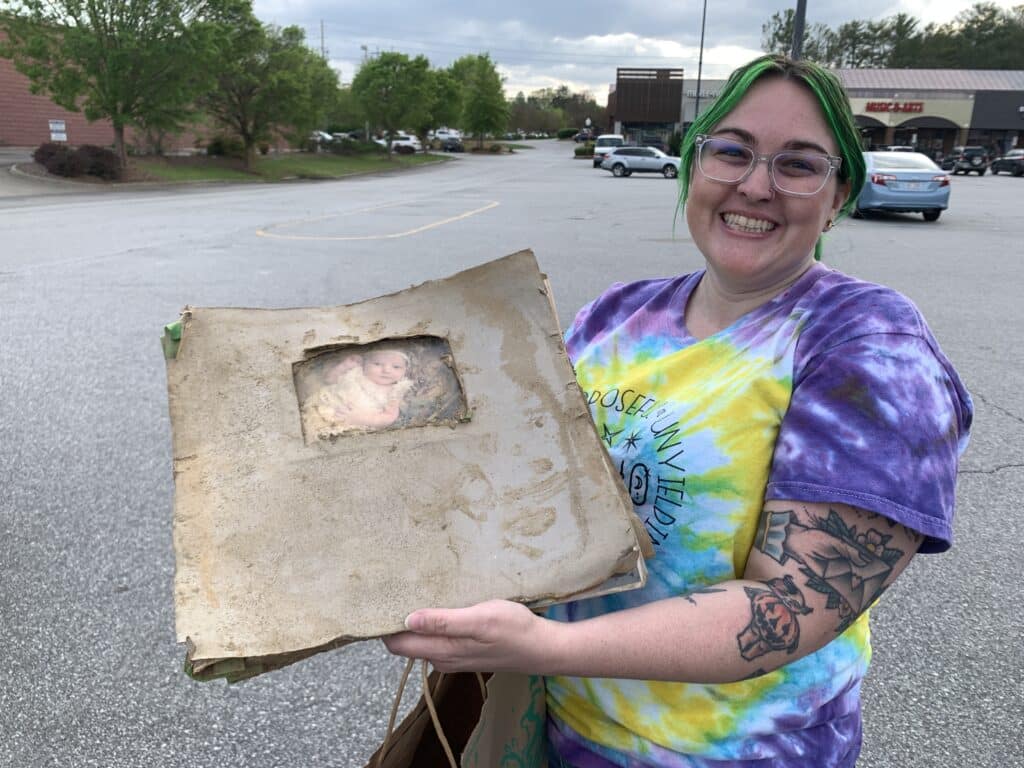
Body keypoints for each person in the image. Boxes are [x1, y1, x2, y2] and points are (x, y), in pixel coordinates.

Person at [384, 54, 973, 768]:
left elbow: (791, 604)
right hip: (559, 733)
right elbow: (521, 479)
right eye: (731, 152)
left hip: (732, 753)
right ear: (695, 166)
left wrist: (548, 646)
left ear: (840, 193)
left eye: (798, 164)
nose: (756, 185)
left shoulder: (868, 347)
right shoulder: (616, 315)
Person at [303, 347, 412, 435]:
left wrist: (358, 418)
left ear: (405, 371)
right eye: (377, 364)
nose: (386, 370)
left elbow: (389, 417)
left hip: (351, 421)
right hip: (324, 406)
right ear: (365, 363)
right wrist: (344, 366)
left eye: (396, 367)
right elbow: (329, 380)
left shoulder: (394, 392)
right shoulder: (356, 372)